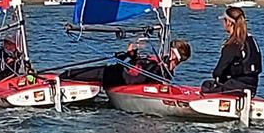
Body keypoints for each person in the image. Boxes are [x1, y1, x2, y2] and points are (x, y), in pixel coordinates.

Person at [60, 39, 191, 88]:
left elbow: (144, 75)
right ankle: (62, 77)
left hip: (121, 78)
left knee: (91, 73)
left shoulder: (163, 71)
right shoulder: (159, 65)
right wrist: (131, 54)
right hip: (115, 73)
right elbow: (138, 68)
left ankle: (65, 75)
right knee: (73, 74)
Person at [201, 6, 262, 96]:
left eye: (224, 20)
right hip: (252, 87)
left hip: (235, 87)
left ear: (229, 22)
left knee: (206, 85)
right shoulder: (251, 40)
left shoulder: (232, 44)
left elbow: (218, 72)